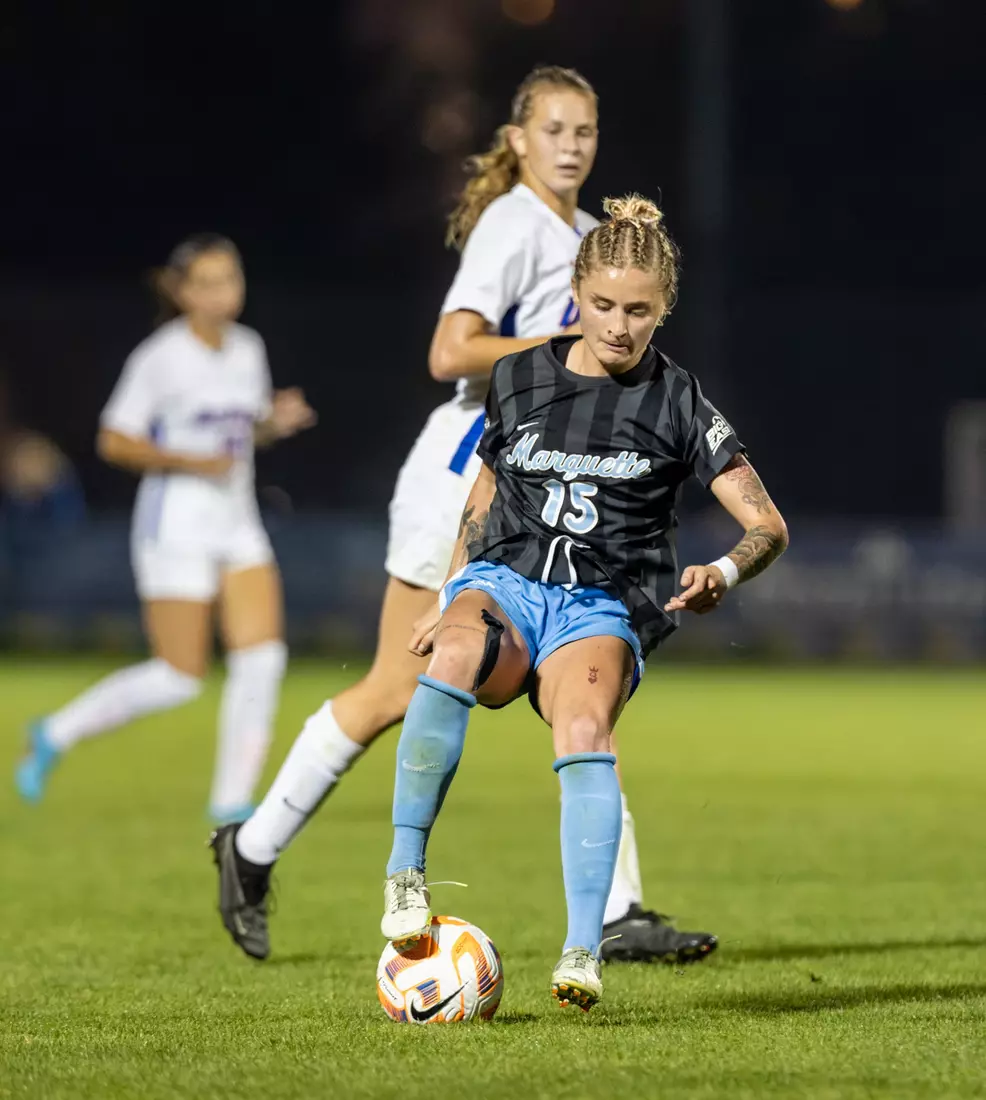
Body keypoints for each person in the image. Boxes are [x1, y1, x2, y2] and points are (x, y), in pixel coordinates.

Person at [210, 66, 715, 966]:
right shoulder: (513, 224)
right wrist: (566, 350)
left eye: (586, 130)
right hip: (464, 474)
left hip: (557, 484)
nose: (571, 145)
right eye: (553, 128)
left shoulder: (597, 236)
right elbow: (452, 347)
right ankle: (250, 849)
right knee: (398, 688)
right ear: (517, 139)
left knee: (586, 680)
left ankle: (617, 909)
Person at [378, 194, 789, 1011]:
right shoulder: (519, 376)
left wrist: (725, 571)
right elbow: (488, 485)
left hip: (602, 605)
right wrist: (452, 586)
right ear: (576, 292)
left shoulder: (680, 403)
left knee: (583, 730)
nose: (618, 324)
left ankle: (580, 950)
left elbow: (767, 524)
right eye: (602, 304)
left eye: (638, 310)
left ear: (663, 308)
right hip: (505, 581)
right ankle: (404, 875)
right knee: (455, 653)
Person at [15, 235, 316, 822]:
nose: (221, 293)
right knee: (180, 677)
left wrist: (273, 423)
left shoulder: (247, 347)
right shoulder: (161, 355)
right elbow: (113, 438)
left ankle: (231, 803)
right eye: (205, 282)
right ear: (181, 292)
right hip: (174, 521)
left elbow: (241, 434)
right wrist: (189, 460)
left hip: (237, 519)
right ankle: (56, 731)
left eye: (229, 279)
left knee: (263, 659)